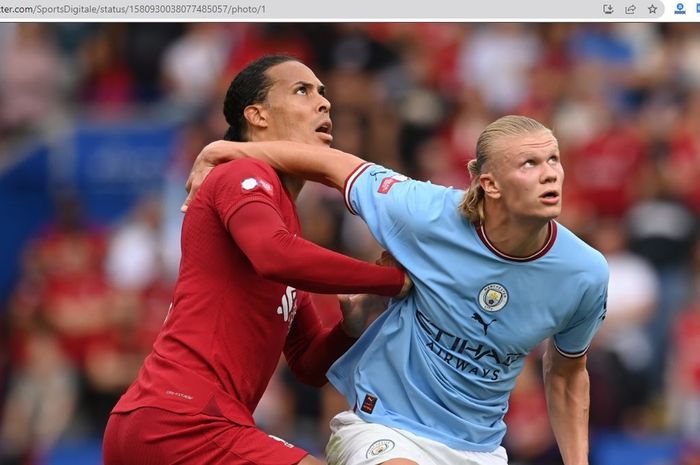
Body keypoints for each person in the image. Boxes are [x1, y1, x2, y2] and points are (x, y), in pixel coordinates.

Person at [184, 114, 610, 465]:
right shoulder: (425, 212)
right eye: (529, 164)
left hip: (478, 450)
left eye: (553, 159)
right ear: (490, 184)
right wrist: (232, 150)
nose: (550, 173)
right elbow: (335, 166)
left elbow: (568, 374)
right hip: (385, 428)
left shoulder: (584, 274)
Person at [103, 55, 411, 465]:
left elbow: (307, 365)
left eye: (322, 92)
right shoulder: (241, 174)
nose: (324, 102)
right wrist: (389, 280)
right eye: (303, 90)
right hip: (182, 419)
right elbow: (273, 255)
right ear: (257, 115)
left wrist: (349, 328)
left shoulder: (279, 220)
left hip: (167, 419)